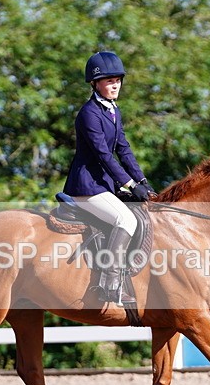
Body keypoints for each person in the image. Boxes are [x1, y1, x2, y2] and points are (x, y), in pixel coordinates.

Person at [63, 51, 157, 306]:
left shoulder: (113, 110)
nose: (115, 85)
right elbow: (104, 156)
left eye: (117, 80)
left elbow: (123, 149)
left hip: (104, 185)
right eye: (108, 81)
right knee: (125, 218)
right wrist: (129, 184)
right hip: (86, 187)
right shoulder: (89, 114)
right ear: (95, 83)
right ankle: (110, 283)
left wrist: (143, 182)